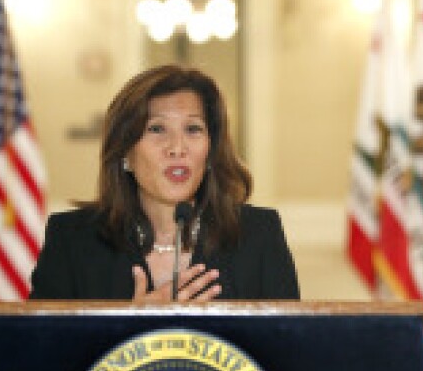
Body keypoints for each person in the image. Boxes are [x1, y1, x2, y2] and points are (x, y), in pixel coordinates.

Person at [30, 64, 299, 302]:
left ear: (210, 152)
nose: (177, 148)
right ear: (125, 152)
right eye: (157, 129)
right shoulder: (72, 240)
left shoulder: (259, 235)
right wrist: (129, 326)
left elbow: (288, 342)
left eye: (193, 129)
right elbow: (41, 344)